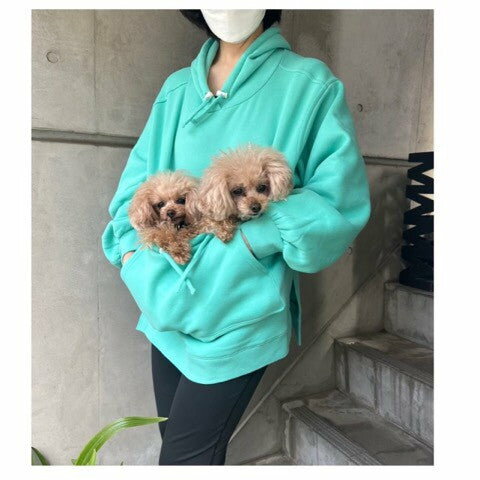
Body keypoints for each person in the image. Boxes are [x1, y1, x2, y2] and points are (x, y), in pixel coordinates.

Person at [101, 9, 371, 465]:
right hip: (165, 305)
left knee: (183, 461)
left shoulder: (308, 85)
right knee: (177, 446)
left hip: (239, 315)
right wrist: (132, 257)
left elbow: (338, 200)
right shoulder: (175, 91)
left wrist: (254, 239)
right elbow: (131, 194)